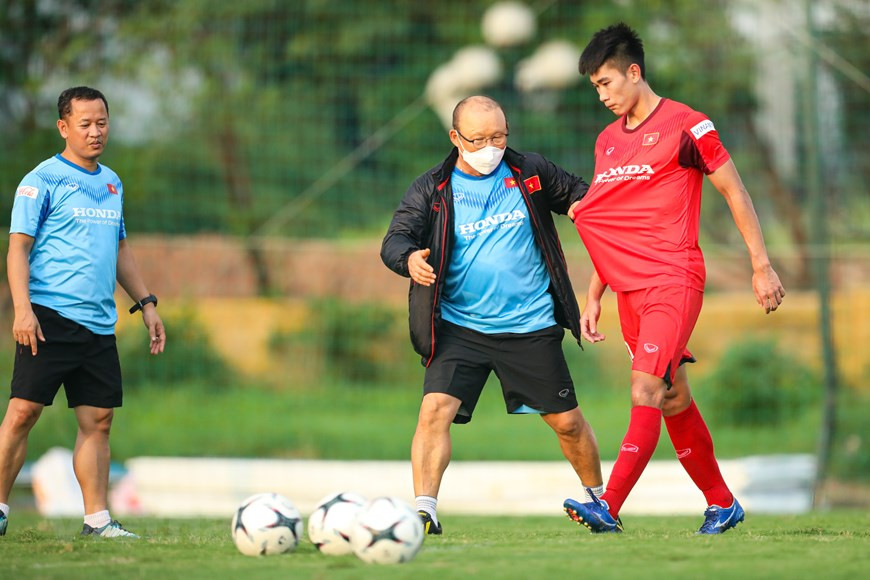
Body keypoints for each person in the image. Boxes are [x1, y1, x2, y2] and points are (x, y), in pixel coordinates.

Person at [563, 23, 786, 535]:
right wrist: (594, 295)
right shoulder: (606, 143)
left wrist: (761, 265)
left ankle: (608, 506)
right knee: (673, 397)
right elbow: (613, 223)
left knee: (645, 388)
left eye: (605, 83)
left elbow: (734, 191)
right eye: (595, 87)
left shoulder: (689, 125)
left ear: (633, 72)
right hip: (629, 290)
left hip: (673, 278)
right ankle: (722, 504)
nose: (601, 95)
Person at [381, 95, 603, 535]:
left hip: (530, 325)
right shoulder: (432, 189)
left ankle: (602, 502)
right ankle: (425, 512)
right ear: (455, 137)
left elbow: (582, 197)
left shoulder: (530, 171)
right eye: (479, 139)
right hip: (460, 328)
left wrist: (586, 210)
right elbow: (395, 239)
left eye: (499, 137)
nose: (491, 148)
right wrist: (409, 259)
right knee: (434, 411)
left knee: (568, 424)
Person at [0, 86, 166, 539]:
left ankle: (97, 521)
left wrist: (147, 303)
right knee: (23, 412)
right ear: (64, 127)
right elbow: (17, 250)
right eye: (85, 124)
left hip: (98, 324)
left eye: (102, 123)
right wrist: (23, 310)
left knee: (99, 422)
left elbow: (120, 249)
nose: (96, 132)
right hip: (48, 317)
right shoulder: (42, 180)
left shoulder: (112, 182)